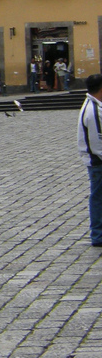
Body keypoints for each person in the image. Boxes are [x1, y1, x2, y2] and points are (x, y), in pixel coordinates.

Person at [76, 73, 102, 247]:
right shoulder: (92, 111)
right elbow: (97, 142)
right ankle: (98, 235)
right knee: (98, 198)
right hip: (98, 162)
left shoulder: (95, 106)